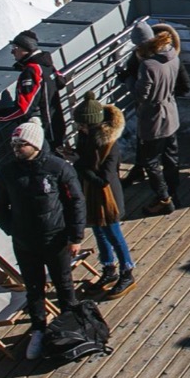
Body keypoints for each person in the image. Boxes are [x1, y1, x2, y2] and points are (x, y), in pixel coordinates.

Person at [0, 118, 86, 359]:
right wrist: (11, 228)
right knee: (34, 289)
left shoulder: (57, 168)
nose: (17, 149)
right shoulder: (8, 172)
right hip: (25, 242)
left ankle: (71, 326)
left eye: (21, 144)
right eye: (14, 145)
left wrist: (75, 236)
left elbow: (76, 202)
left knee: (64, 284)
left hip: (55, 238)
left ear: (35, 144)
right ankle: (39, 329)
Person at [72, 91, 136, 298]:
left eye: (81, 125)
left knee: (113, 234)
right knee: (99, 232)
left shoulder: (109, 145)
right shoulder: (85, 138)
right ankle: (109, 268)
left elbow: (103, 179)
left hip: (108, 198)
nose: (78, 128)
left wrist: (78, 164)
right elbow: (86, 161)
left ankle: (127, 272)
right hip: (91, 194)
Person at [127, 20, 190, 216]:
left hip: (153, 118)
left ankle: (164, 199)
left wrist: (129, 80)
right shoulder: (172, 55)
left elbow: (142, 95)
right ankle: (174, 192)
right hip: (171, 113)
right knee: (171, 157)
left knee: (151, 161)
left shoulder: (148, 65)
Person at [0, 30, 69, 149]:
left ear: (26, 48)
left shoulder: (32, 70)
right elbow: (61, 82)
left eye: (15, 47)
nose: (12, 51)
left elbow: (24, 109)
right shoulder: (47, 65)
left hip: (41, 131)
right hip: (56, 123)